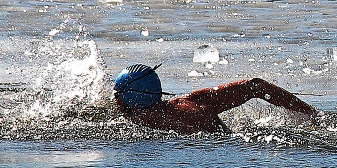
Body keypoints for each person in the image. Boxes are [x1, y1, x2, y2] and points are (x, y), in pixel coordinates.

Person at [112, 64, 317, 134]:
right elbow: (255, 85)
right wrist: (308, 112)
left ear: (128, 99)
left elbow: (192, 134)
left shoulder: (145, 120)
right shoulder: (191, 101)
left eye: (116, 95)